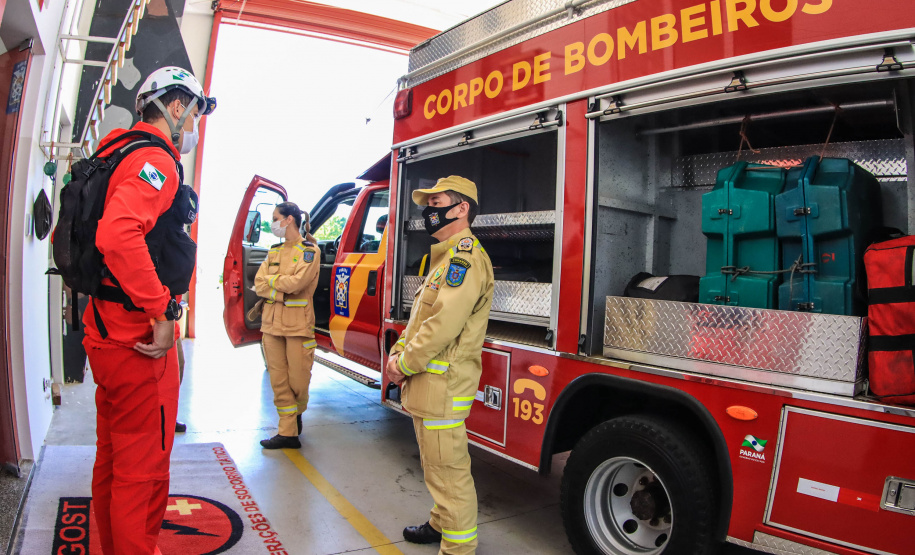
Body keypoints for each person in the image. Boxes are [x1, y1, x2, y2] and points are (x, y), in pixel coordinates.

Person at [83, 66, 215, 554]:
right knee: (142, 472)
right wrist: (163, 313)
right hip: (138, 344)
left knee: (113, 461)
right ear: (176, 107)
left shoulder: (113, 149)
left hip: (103, 332)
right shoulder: (154, 160)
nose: (196, 126)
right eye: (196, 111)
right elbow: (118, 234)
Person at [386, 176, 494, 555]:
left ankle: (458, 548)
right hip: (430, 386)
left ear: (461, 209)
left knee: (449, 473)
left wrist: (403, 363)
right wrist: (398, 350)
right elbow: (420, 320)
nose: (428, 211)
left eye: (437, 203)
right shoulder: (445, 260)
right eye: (427, 204)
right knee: (436, 466)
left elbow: (442, 326)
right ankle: (440, 523)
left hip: (443, 387)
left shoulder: (463, 260)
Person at [254, 202, 321, 449]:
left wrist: (274, 287)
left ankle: (297, 413)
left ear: (289, 219)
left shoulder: (309, 251)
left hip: (297, 326)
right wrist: (280, 288)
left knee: (299, 381)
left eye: (275, 218)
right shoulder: (273, 251)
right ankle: (287, 432)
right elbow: (258, 283)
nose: (272, 223)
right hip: (271, 325)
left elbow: (297, 284)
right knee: (278, 381)